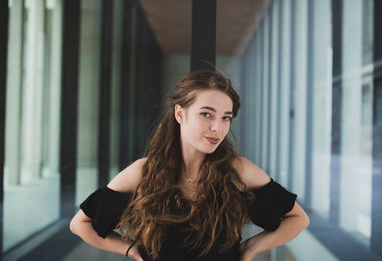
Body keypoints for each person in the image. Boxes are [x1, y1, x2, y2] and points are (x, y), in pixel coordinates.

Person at [70, 70, 309, 261]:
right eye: (207, 114)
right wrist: (130, 250)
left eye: (226, 117)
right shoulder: (144, 172)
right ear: (180, 114)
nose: (218, 127)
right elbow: (80, 224)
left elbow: (298, 218)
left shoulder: (237, 170)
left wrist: (252, 248)